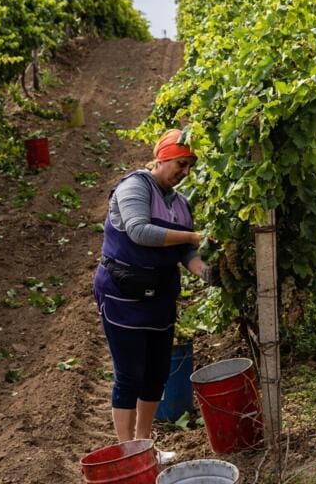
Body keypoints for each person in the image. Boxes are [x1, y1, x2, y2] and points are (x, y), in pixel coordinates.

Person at [94, 129, 215, 464]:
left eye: (190, 166)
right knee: (129, 374)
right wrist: (195, 234)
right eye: (181, 163)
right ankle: (126, 451)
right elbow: (139, 231)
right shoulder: (134, 187)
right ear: (162, 157)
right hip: (123, 294)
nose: (185, 172)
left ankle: (145, 446)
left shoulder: (180, 203)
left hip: (159, 296)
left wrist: (208, 274)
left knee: (156, 373)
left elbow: (186, 253)